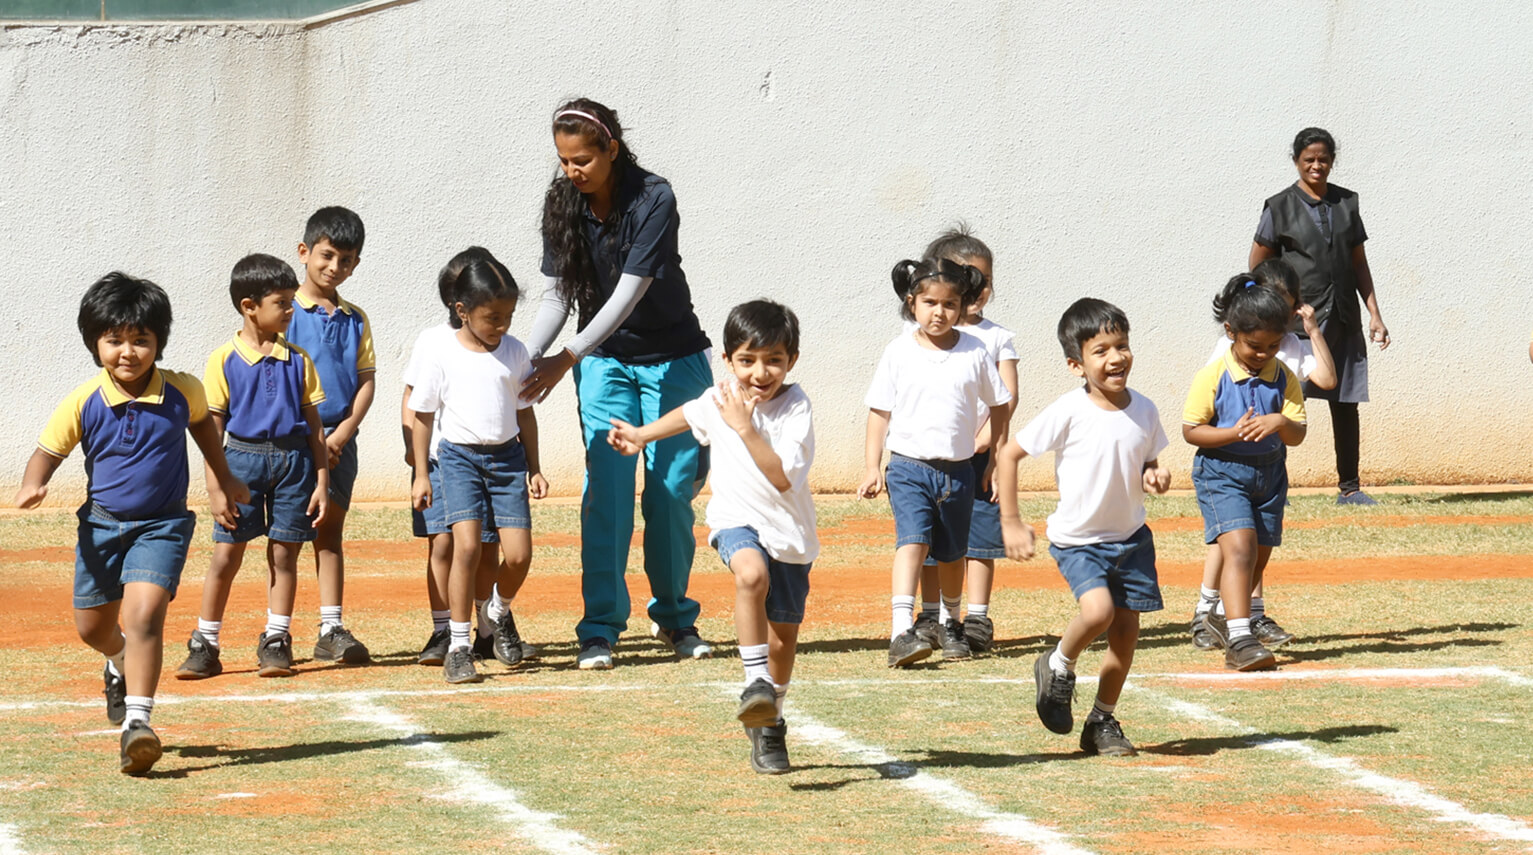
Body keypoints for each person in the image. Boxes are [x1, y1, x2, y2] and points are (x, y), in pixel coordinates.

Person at [15, 273, 246, 775]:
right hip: (100, 528)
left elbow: (205, 430)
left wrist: (223, 479)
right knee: (92, 627)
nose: (128, 351)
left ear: (158, 340)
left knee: (144, 616)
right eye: (114, 339)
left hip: (161, 526)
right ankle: (116, 661)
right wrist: (34, 483)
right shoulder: (84, 400)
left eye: (141, 339)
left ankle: (138, 724)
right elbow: (46, 452)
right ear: (94, 343)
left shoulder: (183, 390)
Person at [521, 98, 714, 670]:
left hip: (674, 358)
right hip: (605, 363)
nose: (571, 172)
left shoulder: (655, 197)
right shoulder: (563, 203)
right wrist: (525, 357)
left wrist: (566, 356)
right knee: (606, 492)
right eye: (563, 161)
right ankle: (600, 628)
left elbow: (630, 291)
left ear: (612, 148)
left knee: (670, 492)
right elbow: (560, 293)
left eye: (582, 159)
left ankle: (676, 618)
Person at [608, 299, 815, 775]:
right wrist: (642, 435)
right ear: (727, 361)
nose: (760, 373)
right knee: (750, 574)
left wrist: (745, 430)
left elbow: (783, 478)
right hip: (736, 521)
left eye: (774, 361)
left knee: (784, 638)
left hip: (791, 536)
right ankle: (754, 681)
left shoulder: (796, 407)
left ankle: (770, 724)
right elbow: (688, 413)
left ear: (792, 360)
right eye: (747, 360)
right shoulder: (720, 398)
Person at [997, 298, 1171, 757]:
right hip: (1080, 542)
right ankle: (1057, 663)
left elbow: (1146, 460)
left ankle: (1102, 721)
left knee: (1125, 637)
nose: (1116, 358)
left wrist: (1153, 474)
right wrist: (1011, 521)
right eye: (1101, 350)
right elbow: (1008, 455)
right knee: (1097, 613)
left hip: (1131, 541)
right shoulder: (1068, 411)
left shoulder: (1146, 410)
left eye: (1122, 346)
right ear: (1076, 364)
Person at [175, 254, 330, 680]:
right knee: (226, 555)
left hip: (294, 463)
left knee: (285, 554)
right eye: (282, 302)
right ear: (249, 306)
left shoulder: (299, 360)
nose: (290, 310)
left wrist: (321, 480)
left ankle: (276, 638)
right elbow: (211, 432)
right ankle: (205, 643)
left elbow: (314, 427)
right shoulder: (223, 360)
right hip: (238, 462)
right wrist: (215, 488)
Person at [860, 257, 1010, 668]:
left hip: (959, 472)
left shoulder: (975, 351)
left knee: (951, 554)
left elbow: (1000, 406)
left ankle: (951, 622)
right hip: (908, 467)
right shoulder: (898, 351)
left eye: (949, 304)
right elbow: (879, 411)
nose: (939, 312)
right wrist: (873, 466)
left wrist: (995, 459)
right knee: (913, 542)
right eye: (929, 302)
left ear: (961, 307)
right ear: (912, 304)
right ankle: (900, 631)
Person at [408, 253, 548, 684]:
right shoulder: (440, 352)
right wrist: (420, 472)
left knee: (519, 555)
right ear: (462, 311)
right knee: (465, 548)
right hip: (458, 459)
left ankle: (497, 611)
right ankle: (458, 645)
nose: (501, 326)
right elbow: (422, 415)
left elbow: (525, 414)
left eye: (507, 316)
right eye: (492, 318)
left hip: (507, 462)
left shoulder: (515, 351)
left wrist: (534, 466)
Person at [1190, 259, 1335, 650]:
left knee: (1254, 549)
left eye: (1289, 309)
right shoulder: (1224, 358)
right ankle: (1216, 619)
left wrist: (1312, 332)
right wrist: (1231, 431)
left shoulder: (1285, 356)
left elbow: (1324, 384)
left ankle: (1242, 615)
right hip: (1224, 466)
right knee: (1234, 545)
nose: (1264, 352)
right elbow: (1195, 423)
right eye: (1256, 345)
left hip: (1268, 469)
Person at [1250, 127, 1390, 505]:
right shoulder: (1278, 207)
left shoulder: (1347, 203)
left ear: (1332, 161)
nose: (1317, 165)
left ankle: (1350, 487)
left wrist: (1374, 313)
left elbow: (1359, 264)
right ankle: (1271, 484)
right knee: (1278, 398)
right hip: (1297, 321)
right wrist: (1270, 309)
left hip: (1342, 315)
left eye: (1323, 159)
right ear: (1297, 160)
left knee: (1344, 400)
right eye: (1309, 159)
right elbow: (1258, 265)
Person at [912, 225, 1018, 658]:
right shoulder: (918, 339)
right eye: (967, 277)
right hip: (930, 459)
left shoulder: (995, 337)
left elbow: (1007, 397)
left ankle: (976, 616)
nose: (978, 287)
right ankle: (931, 614)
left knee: (978, 541)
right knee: (931, 541)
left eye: (984, 279)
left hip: (978, 461)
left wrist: (990, 447)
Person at [284, 206, 374, 665]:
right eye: (326, 255)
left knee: (330, 533)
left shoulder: (356, 318)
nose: (334, 267)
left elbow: (366, 381)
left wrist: (343, 434)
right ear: (304, 252)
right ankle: (276, 632)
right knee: (286, 539)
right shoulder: (283, 312)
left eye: (346, 260)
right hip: (295, 443)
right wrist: (315, 437)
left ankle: (331, 627)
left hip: (340, 443)